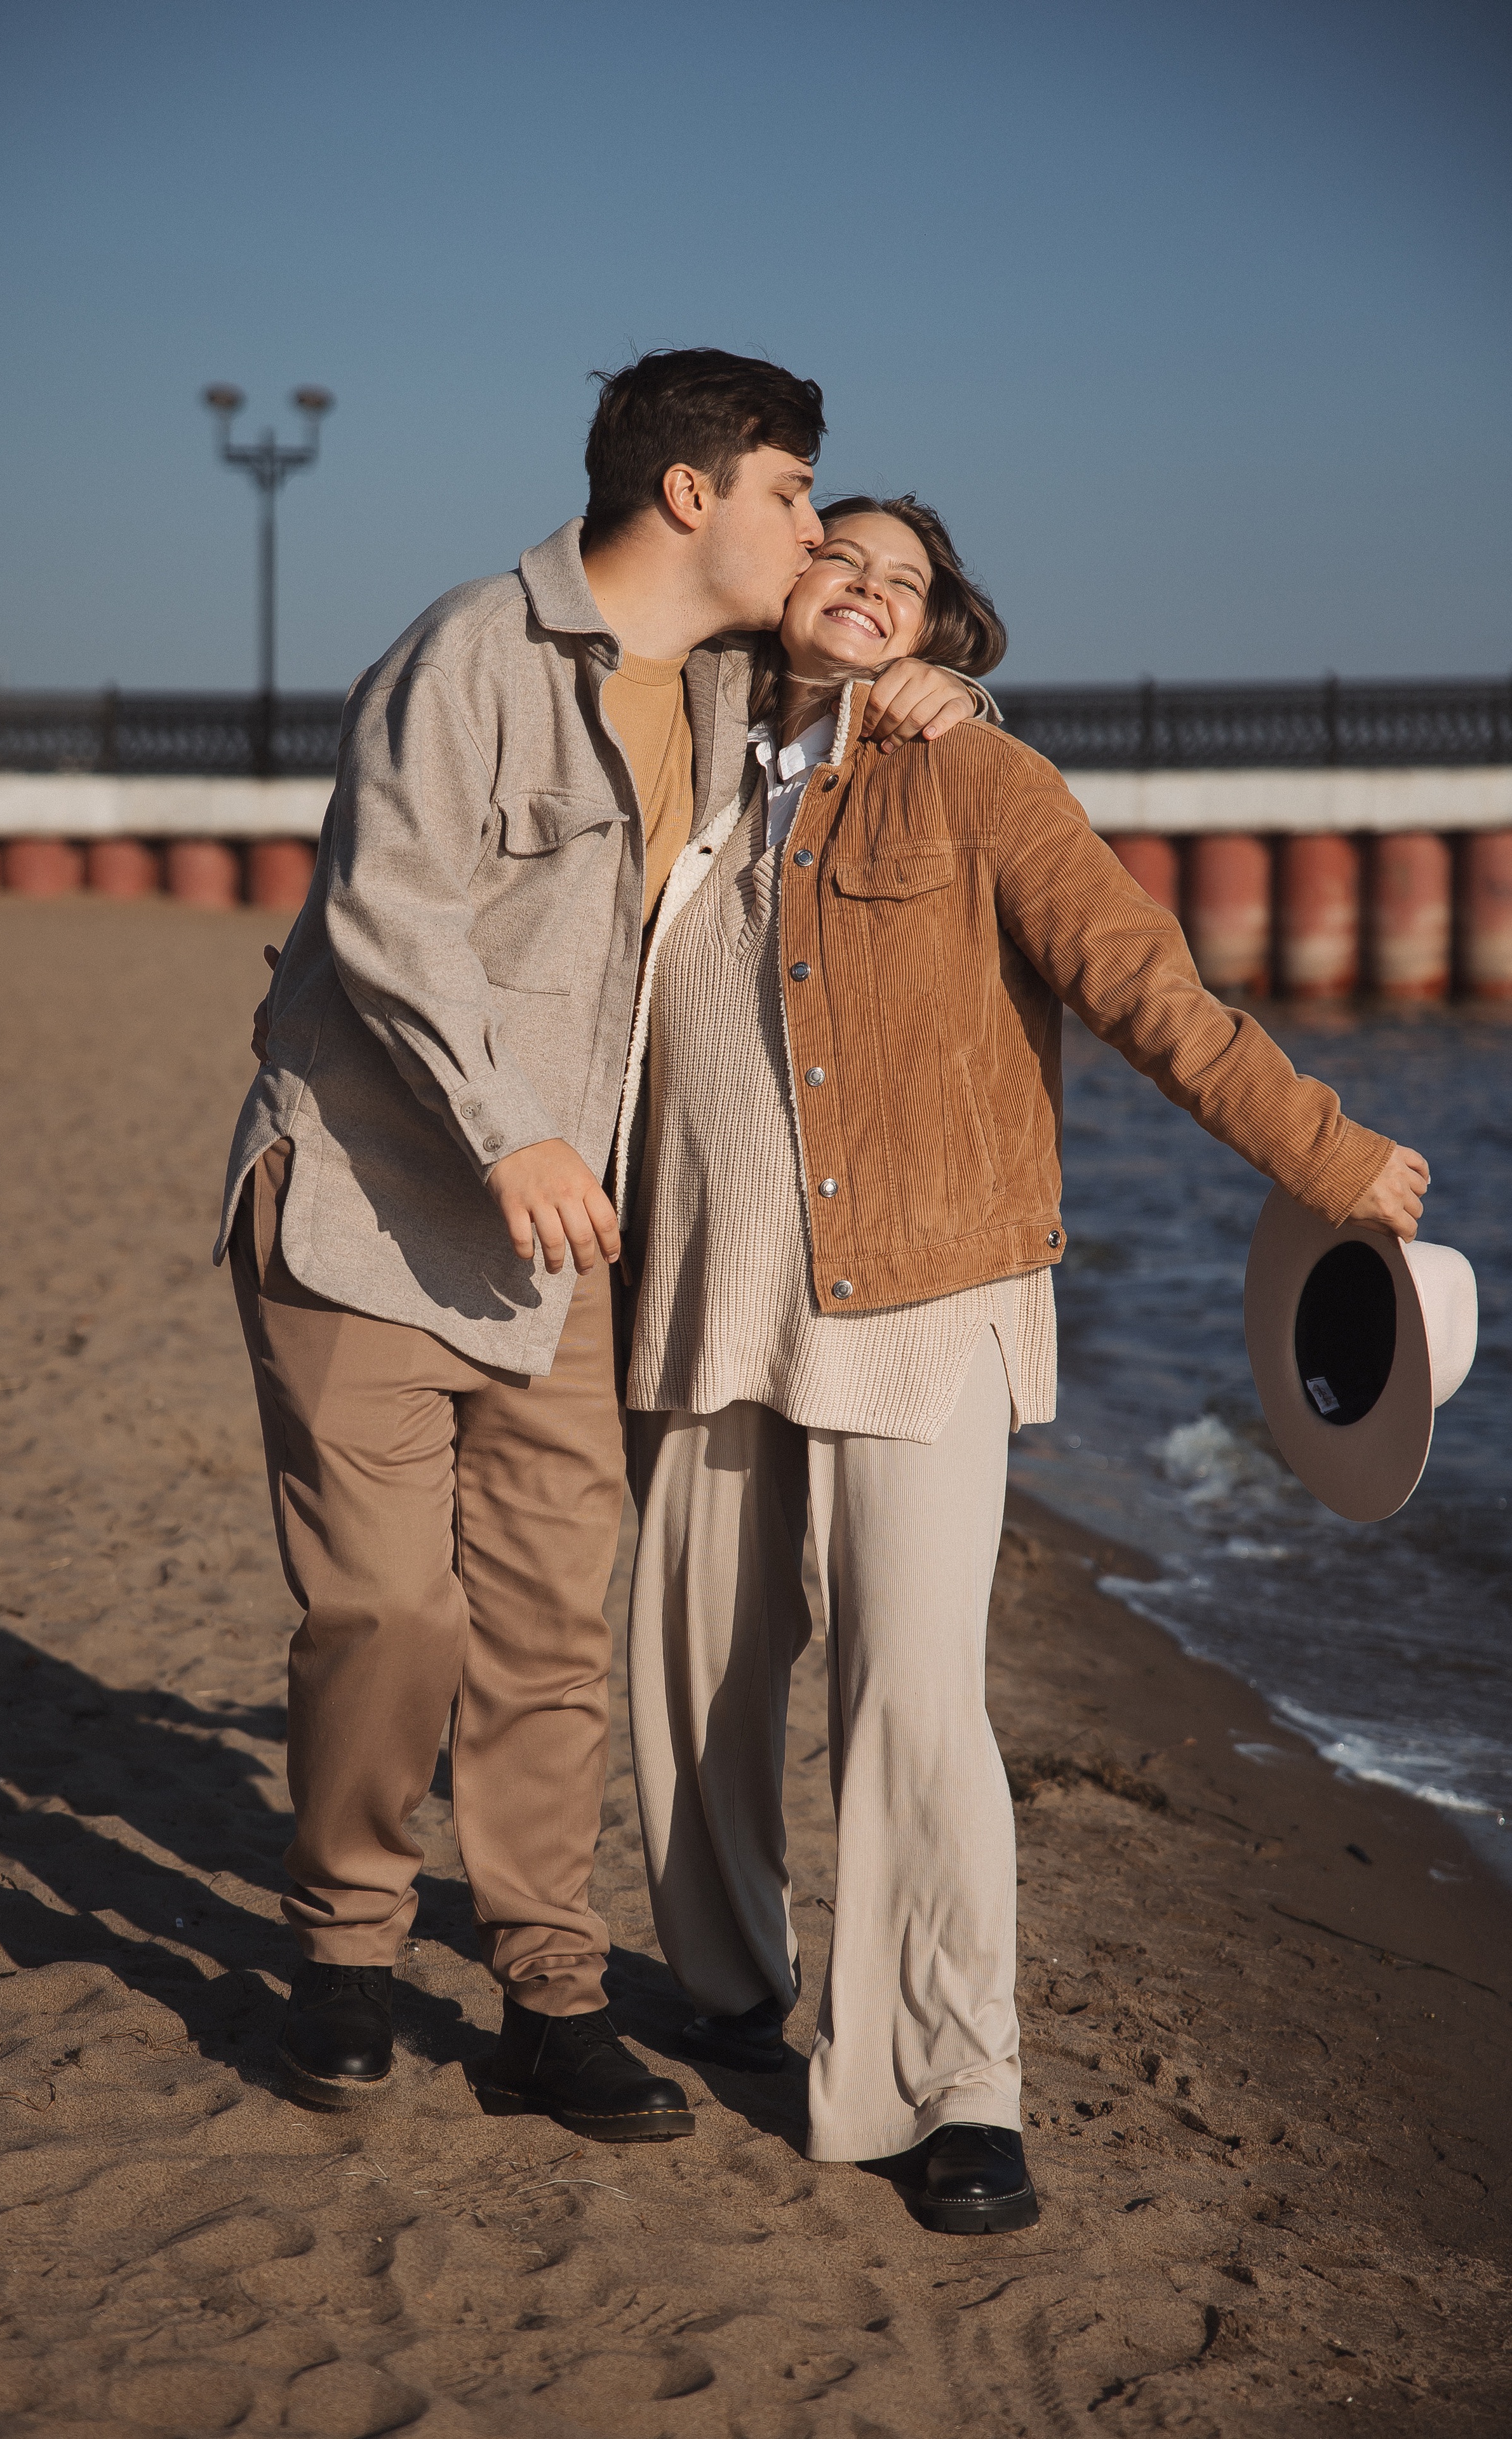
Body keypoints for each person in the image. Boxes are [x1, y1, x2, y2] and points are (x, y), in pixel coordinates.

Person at [616, 494, 1429, 2226]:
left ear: (938, 633)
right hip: (708, 1284)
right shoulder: (680, 731)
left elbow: (1145, 985)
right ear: (783, 579)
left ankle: (953, 2085)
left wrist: (1327, 1153)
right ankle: (731, 1984)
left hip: (919, 1298)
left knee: (914, 1705)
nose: (866, 589)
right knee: (693, 1670)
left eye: (904, 585)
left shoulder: (976, 775)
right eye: (840, 556)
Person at [217, 354, 982, 2131]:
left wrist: (944, 698)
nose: (817, 528)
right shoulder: (470, 650)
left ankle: (548, 1996)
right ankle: (342, 1951)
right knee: (389, 1611)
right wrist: (516, 1128)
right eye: (798, 492)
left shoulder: (728, 688)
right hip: (362, 1205)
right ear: (697, 495)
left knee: (555, 1628)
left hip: (561, 1246)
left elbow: (857, 755)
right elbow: (389, 911)